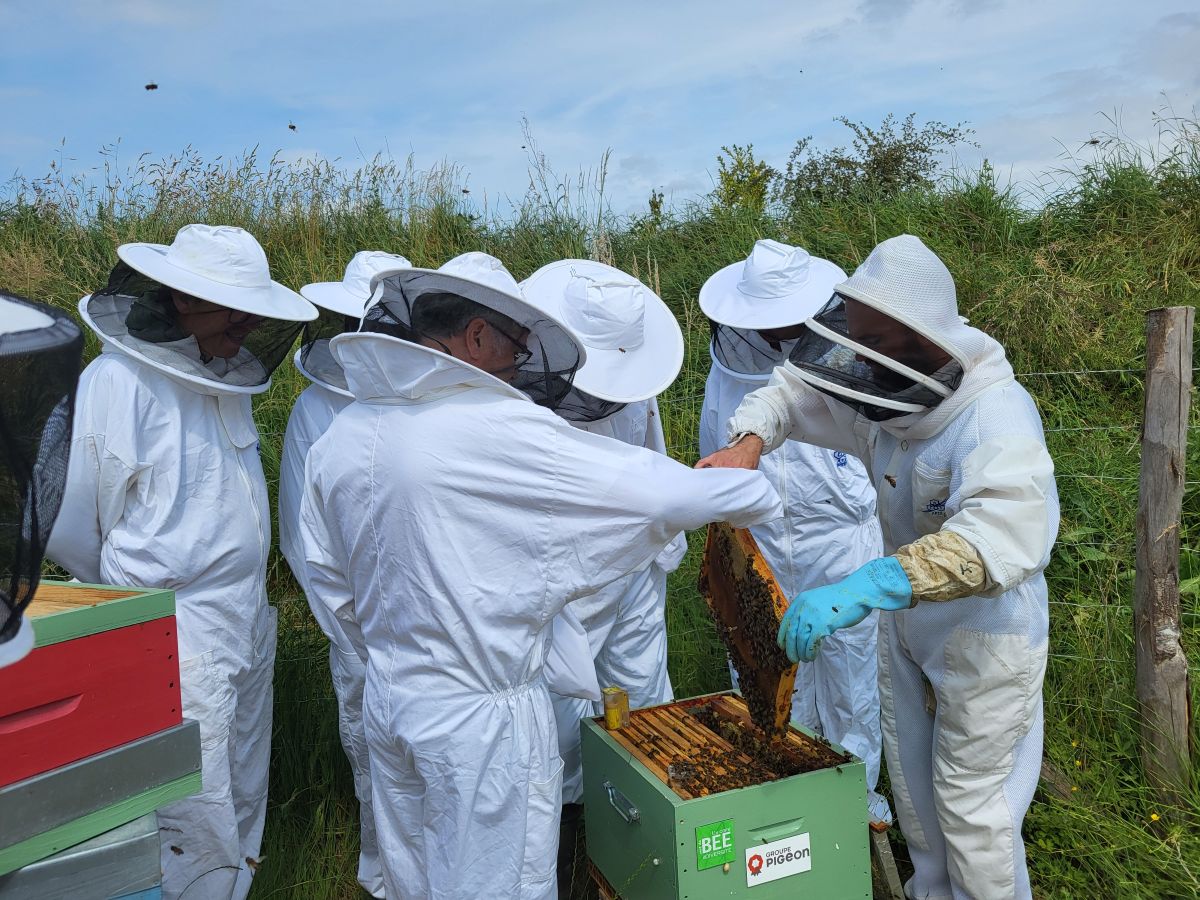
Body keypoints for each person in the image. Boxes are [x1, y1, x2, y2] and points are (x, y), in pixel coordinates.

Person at [298, 252, 783, 900]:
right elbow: (663, 497)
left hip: (390, 700)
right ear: (475, 336)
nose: (522, 360)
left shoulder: (346, 432)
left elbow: (328, 583)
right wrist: (749, 485)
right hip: (481, 724)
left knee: (415, 880)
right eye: (517, 341)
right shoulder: (492, 428)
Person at [697, 234, 1058, 900]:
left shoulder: (993, 417)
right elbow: (791, 389)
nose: (852, 361)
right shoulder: (883, 387)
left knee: (973, 810)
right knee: (918, 797)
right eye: (851, 341)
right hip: (910, 623)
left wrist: (869, 584)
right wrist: (747, 444)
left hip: (985, 636)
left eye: (869, 344)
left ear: (915, 341)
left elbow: (999, 537)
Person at [47, 224, 317, 900]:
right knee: (191, 803)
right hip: (173, 630)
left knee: (242, 778)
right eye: (233, 308)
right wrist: (135, 599)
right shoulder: (117, 380)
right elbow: (69, 523)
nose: (248, 324)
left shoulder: (224, 375)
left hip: (243, 614)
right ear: (183, 301)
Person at [697, 239, 890, 824]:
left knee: (853, 667)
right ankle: (788, 787)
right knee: (768, 660)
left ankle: (854, 796)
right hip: (763, 537)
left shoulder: (845, 350)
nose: (774, 332)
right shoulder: (727, 363)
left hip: (841, 534)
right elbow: (721, 448)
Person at [521, 259, 689, 887]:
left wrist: (657, 564)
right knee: (557, 733)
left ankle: (645, 856)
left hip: (634, 574)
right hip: (560, 584)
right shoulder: (519, 394)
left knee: (646, 707)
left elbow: (654, 464)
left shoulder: (637, 389)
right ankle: (566, 859)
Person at [278, 250, 412, 900]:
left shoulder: (424, 398)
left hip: (429, 625)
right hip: (357, 629)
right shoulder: (314, 411)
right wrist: (359, 636)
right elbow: (304, 545)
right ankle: (383, 878)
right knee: (373, 758)